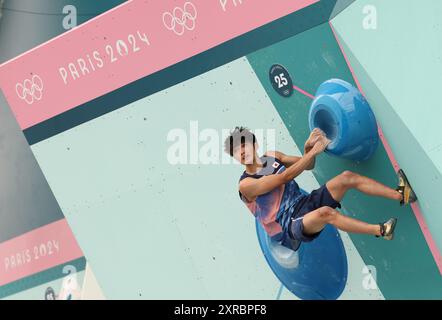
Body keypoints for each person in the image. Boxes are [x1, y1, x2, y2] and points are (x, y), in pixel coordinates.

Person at [224, 126, 417, 250]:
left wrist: (308, 150)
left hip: (305, 202)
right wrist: (314, 152)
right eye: (236, 151)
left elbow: (308, 165)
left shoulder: (273, 156)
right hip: (292, 223)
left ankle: (402, 195)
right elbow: (285, 177)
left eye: (244, 145)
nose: (241, 151)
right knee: (326, 213)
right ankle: (381, 230)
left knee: (346, 178)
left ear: (254, 144)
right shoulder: (246, 185)